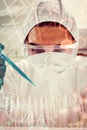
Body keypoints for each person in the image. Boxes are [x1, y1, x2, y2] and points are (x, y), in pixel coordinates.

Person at [0, 0, 87, 127]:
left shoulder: (84, 71)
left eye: (60, 49)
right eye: (37, 50)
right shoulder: (14, 74)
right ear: (25, 47)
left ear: (75, 45)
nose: (48, 58)